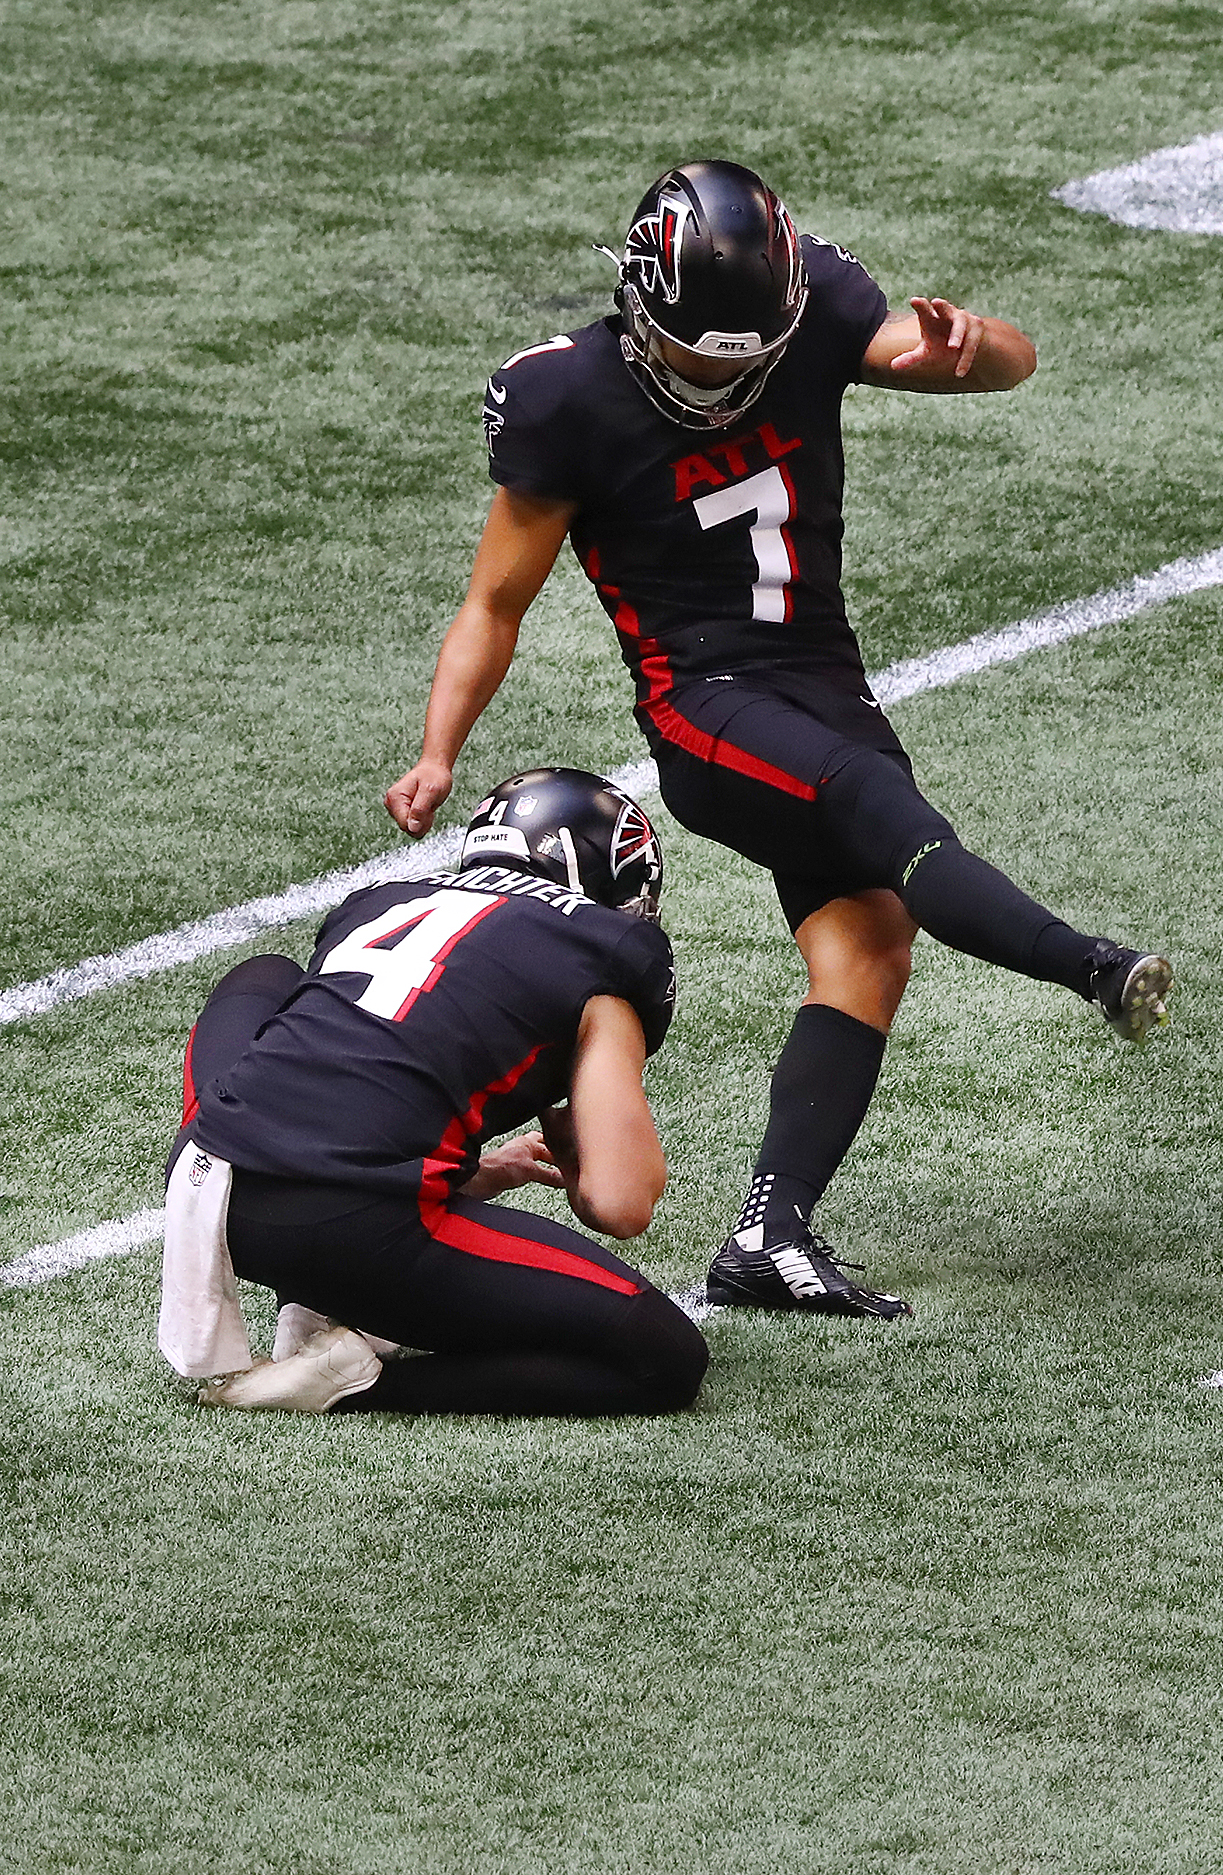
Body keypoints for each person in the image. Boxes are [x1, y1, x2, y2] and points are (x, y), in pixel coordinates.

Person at [380, 159, 1172, 1321]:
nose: (731, 377)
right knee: (880, 813)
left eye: (754, 352)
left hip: (819, 681)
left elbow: (1004, 363)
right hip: (705, 709)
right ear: (642, 305)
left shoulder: (808, 316)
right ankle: (1091, 966)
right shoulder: (567, 397)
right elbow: (494, 603)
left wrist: (976, 343)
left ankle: (769, 1235)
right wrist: (442, 748)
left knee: (868, 950)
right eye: (707, 353)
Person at [165, 768, 704, 1417]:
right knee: (665, 1356)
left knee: (268, 973)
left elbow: (351, 1071)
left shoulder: (380, 900)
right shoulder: (604, 952)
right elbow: (621, 1204)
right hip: (355, 1223)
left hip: (213, 1182)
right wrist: (570, 1143)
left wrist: (464, 1172)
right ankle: (351, 1384)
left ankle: (308, 1299)